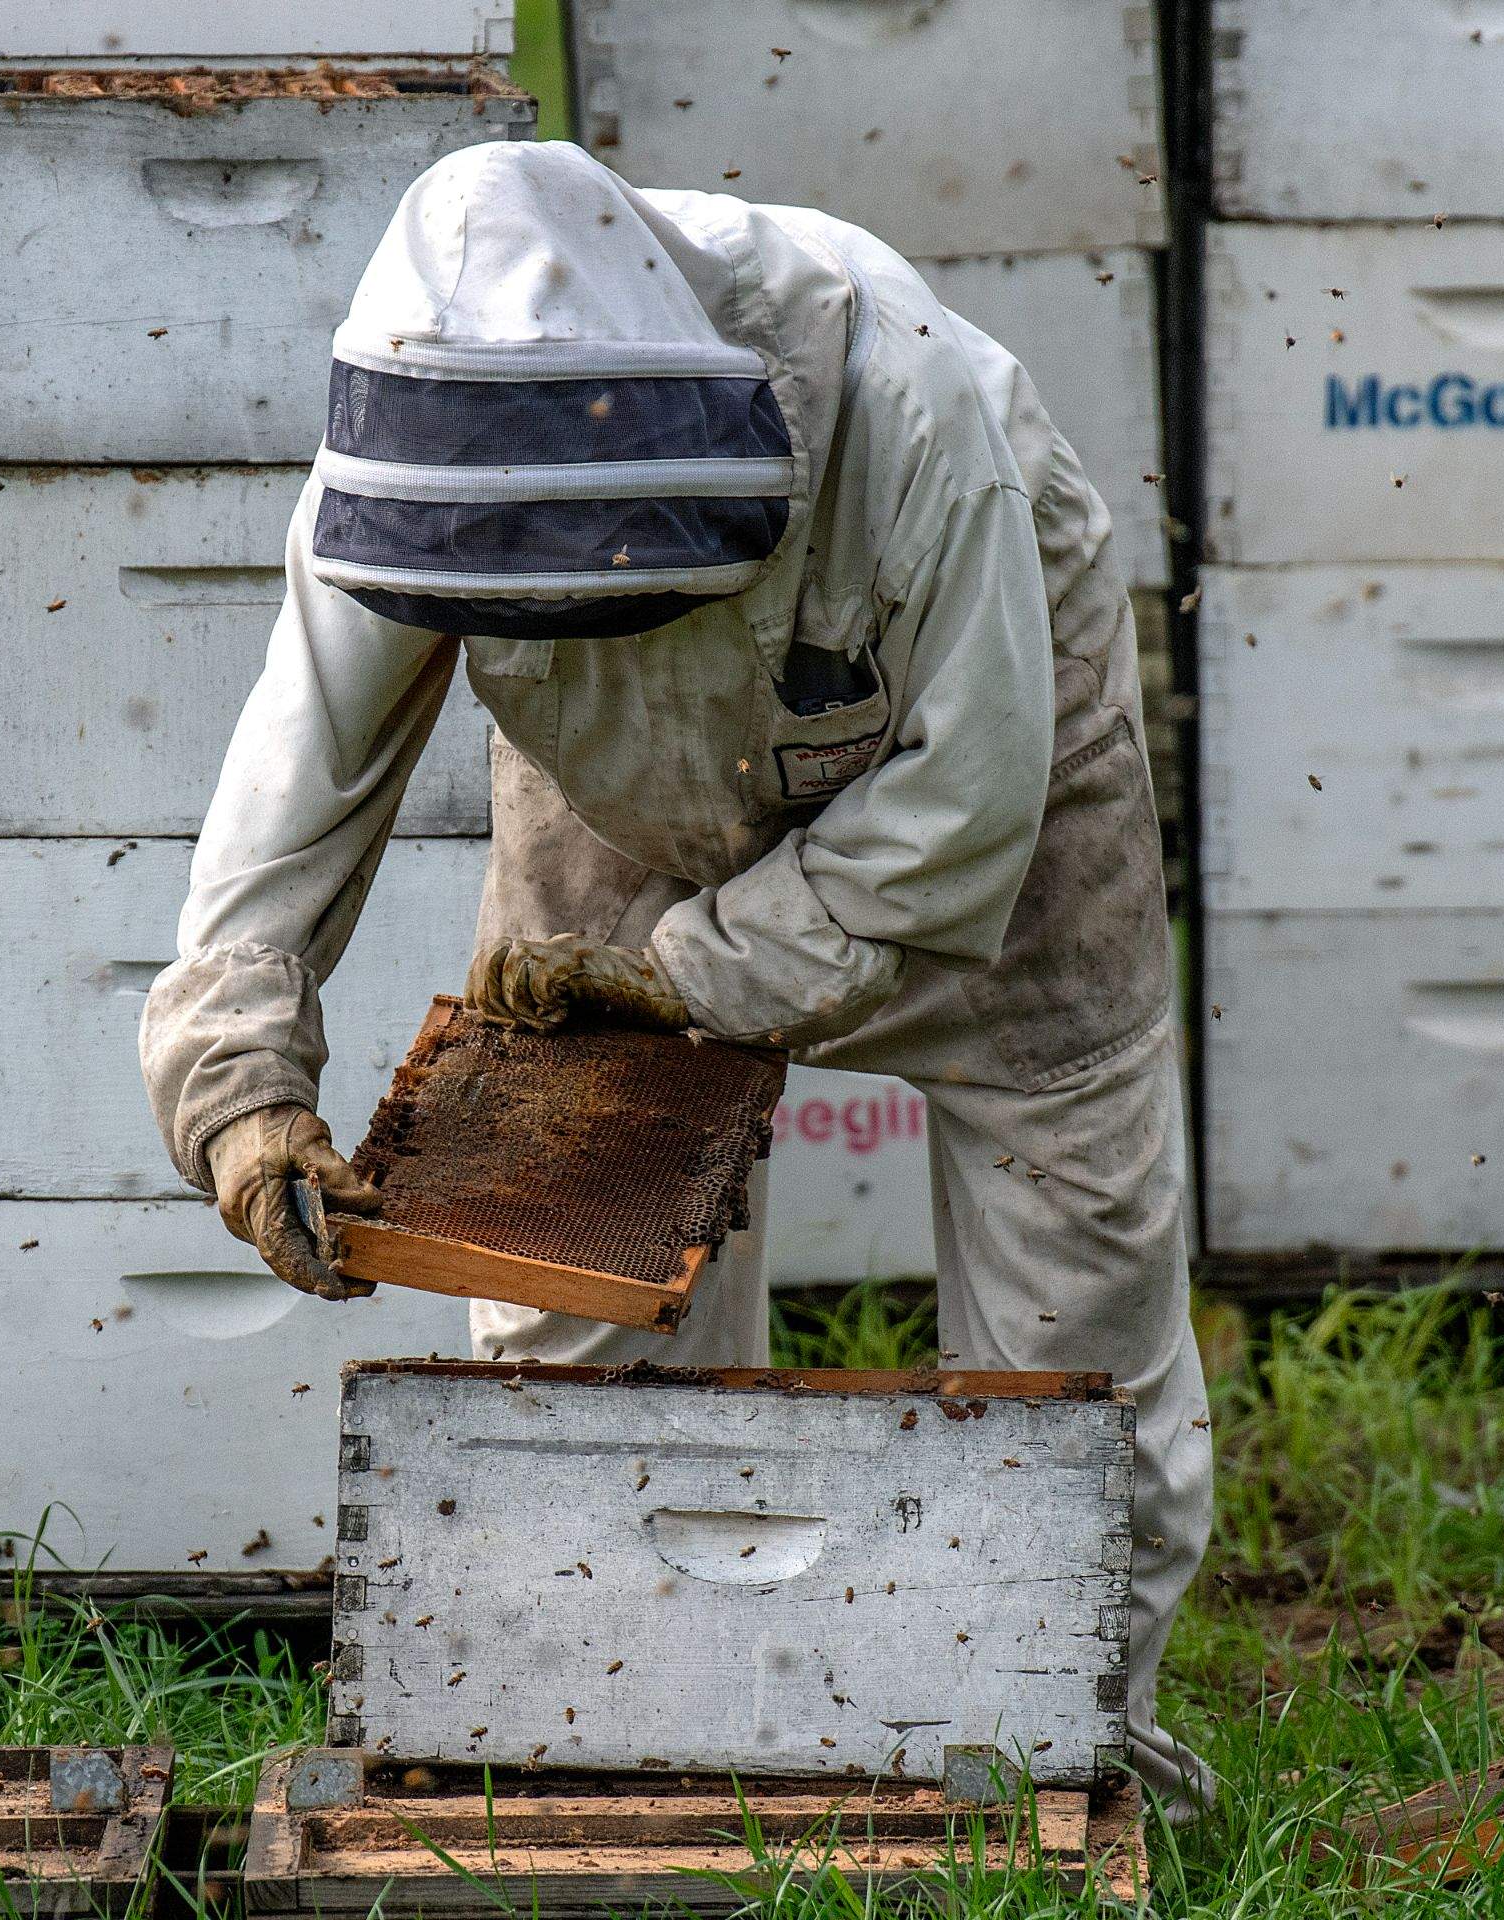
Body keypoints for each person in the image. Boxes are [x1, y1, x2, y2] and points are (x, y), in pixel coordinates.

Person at [136, 140, 1214, 1820]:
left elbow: (963, 811)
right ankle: (612, 1734)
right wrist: (239, 1084)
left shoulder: (912, 413)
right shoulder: (416, 451)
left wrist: (697, 973)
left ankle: (1066, 1763)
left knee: (1073, 1323)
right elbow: (303, 766)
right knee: (570, 1280)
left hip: (967, 768)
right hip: (610, 800)